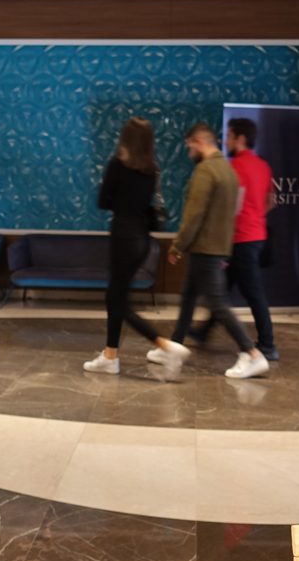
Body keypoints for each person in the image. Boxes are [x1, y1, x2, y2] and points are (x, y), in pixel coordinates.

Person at [153, 122, 269, 380]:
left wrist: (177, 245)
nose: (188, 152)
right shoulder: (227, 171)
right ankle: (174, 347)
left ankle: (252, 354)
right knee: (188, 298)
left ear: (198, 141)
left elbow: (194, 215)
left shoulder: (206, 171)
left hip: (204, 248)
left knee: (217, 304)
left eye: (188, 146)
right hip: (217, 247)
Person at [83, 117, 190, 375]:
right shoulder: (152, 169)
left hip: (123, 236)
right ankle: (111, 355)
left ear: (125, 139)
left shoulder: (117, 165)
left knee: (116, 300)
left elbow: (103, 200)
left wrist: (119, 200)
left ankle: (163, 345)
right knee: (117, 297)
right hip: (142, 239)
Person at [190, 118, 278, 361]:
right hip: (257, 236)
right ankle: (203, 332)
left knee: (253, 293)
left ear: (240, 139)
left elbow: (232, 205)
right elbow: (272, 200)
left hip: (241, 239)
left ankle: (268, 345)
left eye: (228, 136)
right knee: (222, 290)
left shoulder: (235, 167)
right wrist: (256, 215)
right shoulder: (263, 166)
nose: (225, 141)